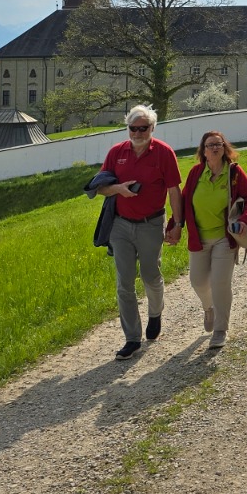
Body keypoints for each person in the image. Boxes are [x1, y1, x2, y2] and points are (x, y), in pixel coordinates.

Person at [96, 105, 183, 360]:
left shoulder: (164, 153)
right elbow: (100, 187)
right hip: (120, 225)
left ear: (152, 128)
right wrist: (118, 189)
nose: (137, 133)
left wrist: (177, 224)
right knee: (124, 282)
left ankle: (155, 313)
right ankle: (132, 339)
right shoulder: (117, 152)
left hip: (151, 223)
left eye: (143, 128)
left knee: (150, 274)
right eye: (133, 128)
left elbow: (174, 190)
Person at [181, 130, 247, 350]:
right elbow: (184, 201)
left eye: (218, 144)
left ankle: (220, 330)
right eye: (210, 145)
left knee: (220, 283)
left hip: (225, 238)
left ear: (224, 149)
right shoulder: (196, 173)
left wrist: (244, 219)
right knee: (198, 281)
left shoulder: (234, 173)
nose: (215, 148)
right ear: (203, 151)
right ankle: (209, 308)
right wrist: (174, 226)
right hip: (199, 238)